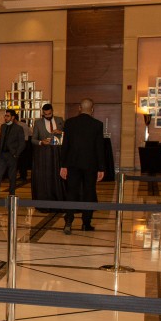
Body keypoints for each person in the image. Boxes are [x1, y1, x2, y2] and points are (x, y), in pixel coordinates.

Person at [59, 98, 106, 234]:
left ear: (79, 108)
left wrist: (63, 165)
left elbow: (65, 145)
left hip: (72, 163)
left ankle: (68, 221)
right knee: (89, 192)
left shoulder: (70, 123)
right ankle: (86, 223)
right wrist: (101, 168)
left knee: (71, 192)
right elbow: (99, 148)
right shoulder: (97, 124)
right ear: (92, 109)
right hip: (90, 165)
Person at [0, 110, 26, 198]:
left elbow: (22, 143)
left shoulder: (18, 128)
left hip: (12, 155)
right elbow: (1, 139)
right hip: (2, 155)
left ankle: (11, 195)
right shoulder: (3, 126)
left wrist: (16, 154)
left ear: (12, 117)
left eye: (7, 116)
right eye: (5, 116)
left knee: (12, 177)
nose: (5, 117)